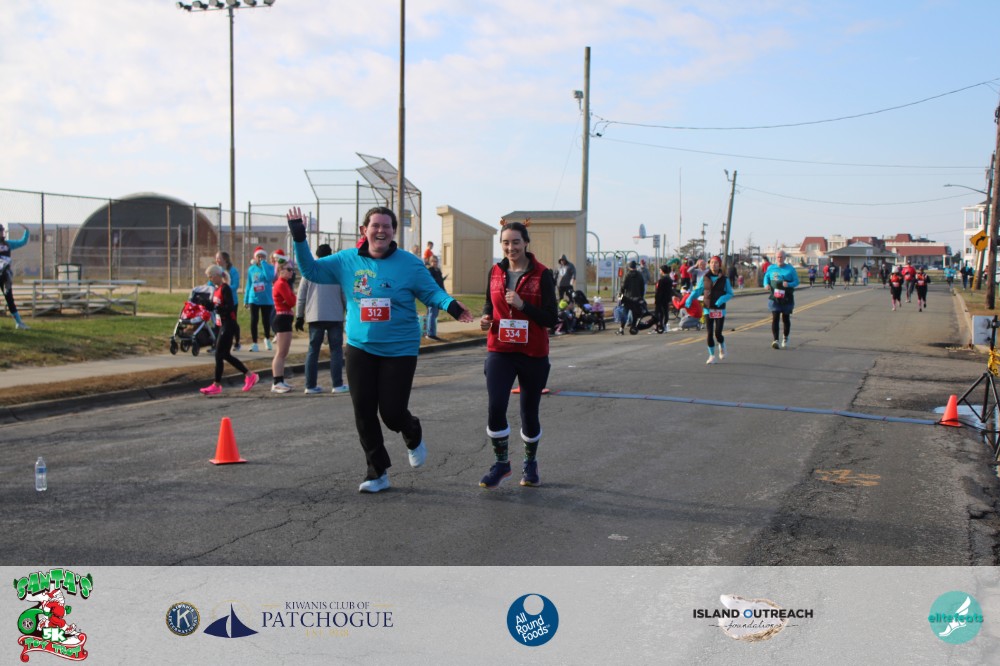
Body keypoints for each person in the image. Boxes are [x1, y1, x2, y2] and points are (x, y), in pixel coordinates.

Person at [290, 205, 474, 494]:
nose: (380, 230)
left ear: (393, 232)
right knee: (363, 410)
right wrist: (299, 237)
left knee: (392, 413)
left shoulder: (409, 263)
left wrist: (451, 305)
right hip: (360, 347)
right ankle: (377, 473)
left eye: (386, 226)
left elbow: (431, 292)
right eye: (375, 225)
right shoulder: (346, 260)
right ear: (364, 230)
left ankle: (412, 431)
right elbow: (310, 270)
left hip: (400, 349)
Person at [479, 220, 557, 489]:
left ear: (526, 243)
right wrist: (486, 318)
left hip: (532, 352)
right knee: (495, 406)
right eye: (505, 242)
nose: (510, 247)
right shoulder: (495, 272)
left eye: (515, 242)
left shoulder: (542, 274)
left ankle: (530, 463)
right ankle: (501, 464)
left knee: (529, 413)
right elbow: (489, 304)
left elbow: (551, 318)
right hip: (500, 349)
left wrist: (523, 305)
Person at [296, 244, 348, 395]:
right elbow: (344, 295)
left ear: (317, 255)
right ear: (331, 255)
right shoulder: (337, 272)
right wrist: (348, 311)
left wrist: (299, 316)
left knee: (313, 350)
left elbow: (301, 296)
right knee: (336, 350)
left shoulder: (309, 271)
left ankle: (310, 385)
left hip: (315, 316)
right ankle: (337, 384)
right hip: (335, 316)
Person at [200, 265, 259, 395]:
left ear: (217, 275)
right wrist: (207, 305)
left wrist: (216, 308)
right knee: (225, 355)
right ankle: (250, 375)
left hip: (228, 324)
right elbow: (216, 306)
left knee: (219, 354)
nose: (210, 279)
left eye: (211, 276)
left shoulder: (225, 288)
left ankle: (216, 385)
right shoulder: (217, 290)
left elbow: (229, 307)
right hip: (222, 324)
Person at [687, 256, 734, 363]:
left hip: (719, 309)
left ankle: (722, 344)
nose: (713, 264)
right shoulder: (705, 277)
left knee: (718, 333)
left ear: (719, 265)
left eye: (716, 263)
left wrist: (722, 299)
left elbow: (730, 293)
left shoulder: (724, 279)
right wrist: (690, 297)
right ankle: (712, 356)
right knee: (709, 333)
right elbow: (698, 290)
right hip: (708, 308)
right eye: (712, 262)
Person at [762, 249, 799, 349]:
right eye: (778, 257)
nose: (779, 259)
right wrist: (766, 285)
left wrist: (789, 284)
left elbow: (796, 282)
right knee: (775, 317)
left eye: (781, 257)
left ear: (785, 258)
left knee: (785, 318)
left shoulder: (790, 269)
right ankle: (776, 340)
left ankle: (785, 337)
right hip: (775, 297)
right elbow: (766, 278)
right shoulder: (771, 268)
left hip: (787, 297)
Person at [270, 260, 297, 393]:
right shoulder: (280, 284)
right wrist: (291, 297)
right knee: (280, 352)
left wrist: (291, 297)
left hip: (286, 319)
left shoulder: (285, 283)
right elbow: (292, 301)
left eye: (292, 270)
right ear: (280, 270)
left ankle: (280, 379)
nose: (292, 272)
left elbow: (291, 300)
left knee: (284, 352)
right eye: (289, 269)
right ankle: (277, 382)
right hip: (281, 319)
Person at [244, 246, 275, 352]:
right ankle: (254, 343)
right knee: (254, 320)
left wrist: (264, 265)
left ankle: (267, 339)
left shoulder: (269, 267)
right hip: (254, 298)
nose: (260, 258)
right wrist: (246, 300)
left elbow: (269, 278)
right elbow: (249, 284)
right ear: (255, 257)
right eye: (258, 256)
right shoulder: (251, 269)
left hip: (266, 299)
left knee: (266, 320)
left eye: (262, 256)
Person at [0, 223, 30, 329]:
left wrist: (26, 231)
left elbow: (22, 242)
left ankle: (19, 323)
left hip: (5, 276)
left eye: (2, 230)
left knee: (9, 299)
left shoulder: (7, 244)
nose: (1, 232)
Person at [215, 251, 241, 350]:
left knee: (232, 322)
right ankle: (218, 343)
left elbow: (235, 285)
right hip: (220, 301)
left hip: (231, 301)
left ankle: (237, 342)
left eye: (219, 258)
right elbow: (212, 282)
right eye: (216, 258)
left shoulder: (233, 271)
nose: (217, 260)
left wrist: (225, 289)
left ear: (225, 259)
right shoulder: (217, 270)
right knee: (218, 322)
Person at [616, 260, 645, 335]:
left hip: (628, 298)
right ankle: (633, 327)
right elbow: (642, 287)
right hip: (637, 297)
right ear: (635, 267)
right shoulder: (639, 275)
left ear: (629, 267)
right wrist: (641, 296)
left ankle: (621, 329)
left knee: (624, 313)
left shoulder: (627, 275)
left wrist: (620, 295)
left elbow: (623, 286)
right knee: (635, 314)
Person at [425, 255, 446, 340]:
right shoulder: (429, 271)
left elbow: (441, 283)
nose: (435, 263)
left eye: (436, 261)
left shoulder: (438, 271)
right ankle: (430, 334)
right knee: (432, 313)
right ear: (430, 262)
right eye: (433, 261)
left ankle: (431, 332)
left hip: (439, 294)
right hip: (432, 295)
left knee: (434, 314)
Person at [653, 264, 673, 333]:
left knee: (659, 313)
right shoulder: (670, 280)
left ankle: (660, 326)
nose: (659, 271)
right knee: (665, 312)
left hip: (661, 298)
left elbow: (659, 290)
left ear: (662, 271)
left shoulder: (661, 280)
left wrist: (656, 299)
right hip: (667, 298)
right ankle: (664, 325)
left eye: (660, 270)